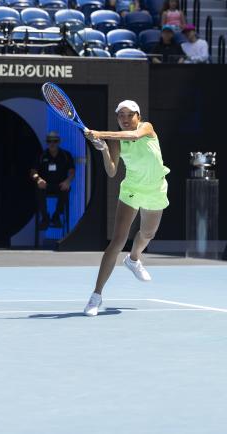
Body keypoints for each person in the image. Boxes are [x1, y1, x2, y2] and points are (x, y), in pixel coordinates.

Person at [82, 100, 170, 317]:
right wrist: (103, 148)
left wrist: (100, 133)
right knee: (118, 240)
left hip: (156, 188)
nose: (125, 119)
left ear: (138, 116)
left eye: (129, 114)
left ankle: (133, 259)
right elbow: (111, 171)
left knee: (148, 233)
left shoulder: (146, 128)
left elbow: (133, 136)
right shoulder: (117, 141)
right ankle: (96, 296)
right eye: (121, 115)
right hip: (131, 188)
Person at [30, 131, 75, 230]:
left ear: (58, 142)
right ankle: (45, 218)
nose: (52, 143)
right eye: (50, 141)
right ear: (47, 142)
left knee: (66, 190)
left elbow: (72, 171)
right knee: (38, 189)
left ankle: (56, 216)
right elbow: (33, 172)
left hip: (60, 184)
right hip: (45, 185)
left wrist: (68, 181)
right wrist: (38, 179)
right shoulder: (42, 155)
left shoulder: (65, 155)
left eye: (55, 141)